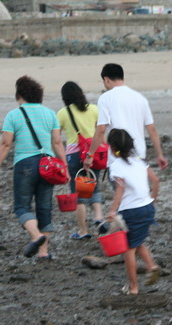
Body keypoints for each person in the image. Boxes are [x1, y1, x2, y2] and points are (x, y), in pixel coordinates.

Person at [0, 76, 69, 259]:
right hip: (47, 165)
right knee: (44, 208)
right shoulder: (50, 114)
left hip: (24, 165)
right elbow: (57, 143)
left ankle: (36, 235)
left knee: (22, 207)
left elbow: (5, 144)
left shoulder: (13, 115)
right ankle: (44, 252)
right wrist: (64, 166)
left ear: (20, 95)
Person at [106, 128, 161, 295]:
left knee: (128, 249)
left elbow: (120, 190)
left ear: (112, 147)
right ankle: (151, 266)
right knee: (137, 239)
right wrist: (152, 200)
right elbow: (156, 181)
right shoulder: (140, 161)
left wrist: (112, 210)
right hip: (147, 208)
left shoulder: (116, 165)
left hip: (131, 211)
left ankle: (133, 287)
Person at [84, 63, 167, 172]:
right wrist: (159, 154)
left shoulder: (105, 98)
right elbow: (152, 130)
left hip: (118, 157)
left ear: (106, 80)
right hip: (139, 157)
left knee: (120, 189)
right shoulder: (140, 98)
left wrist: (90, 155)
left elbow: (101, 130)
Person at [57, 81, 103, 239]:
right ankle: (98, 217)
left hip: (75, 155)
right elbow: (101, 131)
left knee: (79, 196)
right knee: (94, 187)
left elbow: (56, 136)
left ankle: (83, 231)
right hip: (93, 153)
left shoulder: (63, 113)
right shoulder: (94, 109)